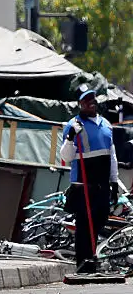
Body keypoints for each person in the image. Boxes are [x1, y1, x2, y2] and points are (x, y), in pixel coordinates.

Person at [61, 86, 118, 274]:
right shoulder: (73, 125)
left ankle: (91, 258)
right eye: (86, 100)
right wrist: (70, 138)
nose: (91, 102)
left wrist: (114, 182)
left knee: (99, 220)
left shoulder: (106, 125)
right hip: (83, 185)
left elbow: (112, 156)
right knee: (84, 226)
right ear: (80, 104)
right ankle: (83, 264)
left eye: (93, 98)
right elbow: (66, 157)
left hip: (102, 184)